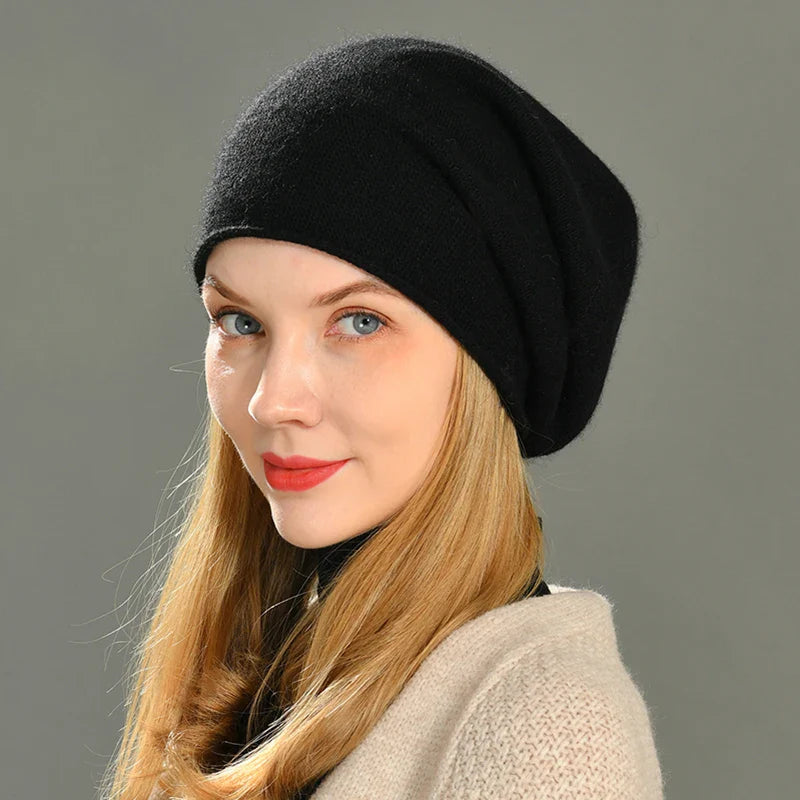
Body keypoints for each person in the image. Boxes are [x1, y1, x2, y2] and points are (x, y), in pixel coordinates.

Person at [101, 34, 664, 800]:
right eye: (240, 322)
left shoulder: (545, 728)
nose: (273, 400)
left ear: (485, 369)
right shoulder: (275, 674)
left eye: (359, 322)